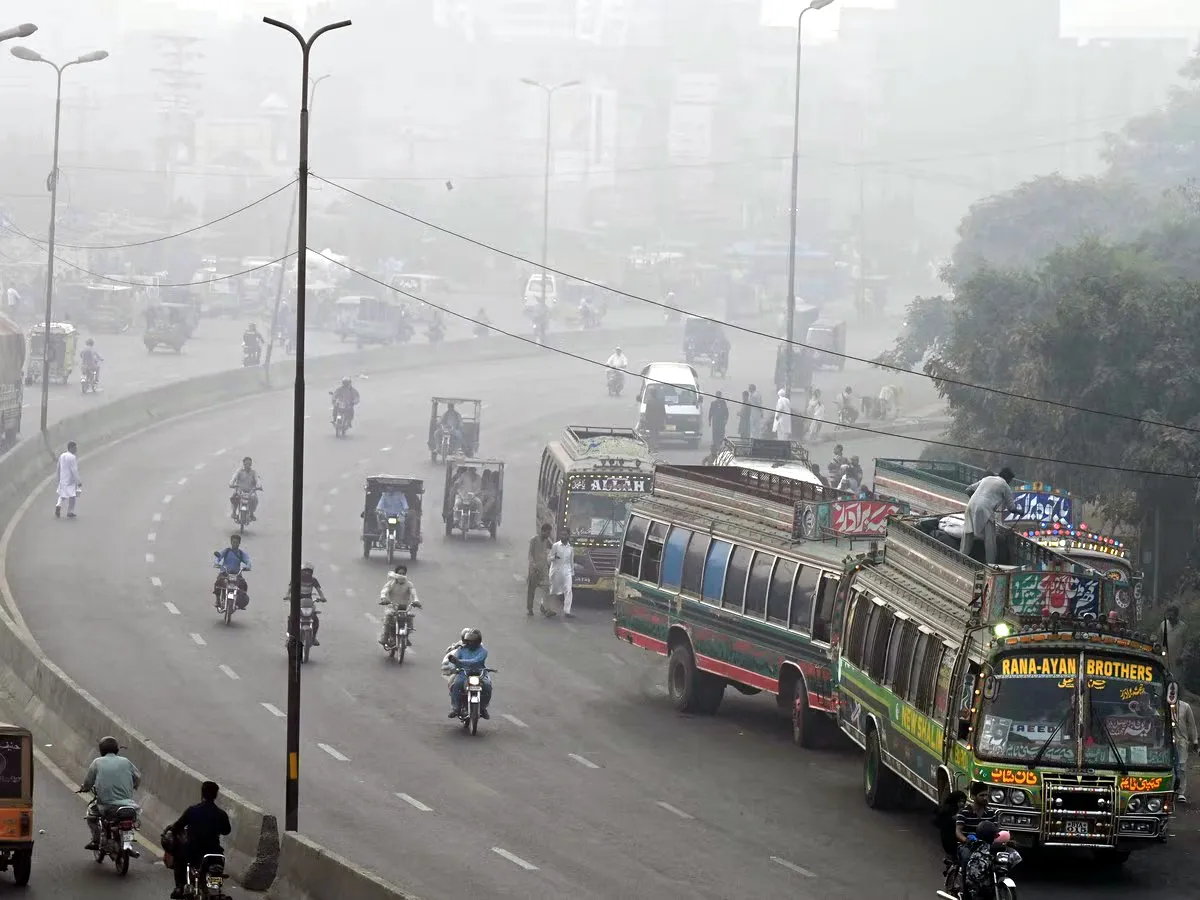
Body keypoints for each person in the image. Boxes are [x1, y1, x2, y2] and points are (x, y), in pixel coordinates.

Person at [166, 780, 231, 899]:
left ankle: (180, 887)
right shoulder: (221, 814)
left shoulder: (193, 810)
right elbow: (227, 831)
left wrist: (171, 831)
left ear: (202, 794)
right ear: (216, 795)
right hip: (215, 853)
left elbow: (177, 827)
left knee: (179, 857)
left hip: (194, 851)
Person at [79, 736, 140, 851]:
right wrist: (134, 785)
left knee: (91, 816)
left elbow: (88, 782)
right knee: (130, 822)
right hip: (128, 805)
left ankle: (96, 841)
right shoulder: (126, 761)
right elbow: (138, 777)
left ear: (101, 750)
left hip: (106, 805)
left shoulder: (97, 762)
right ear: (117, 749)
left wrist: (84, 788)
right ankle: (127, 844)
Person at [961, 467, 1018, 564]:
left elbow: (968, 489)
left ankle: (961, 557)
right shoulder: (1005, 485)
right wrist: (1020, 512)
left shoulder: (987, 479)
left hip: (971, 506)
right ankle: (990, 564)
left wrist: (976, 500)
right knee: (990, 540)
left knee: (968, 534)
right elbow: (1011, 508)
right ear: (1008, 478)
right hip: (986, 510)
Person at [443, 627, 492, 719]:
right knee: (456, 685)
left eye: (471, 641)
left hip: (479, 673)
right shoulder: (461, 650)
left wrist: (460, 661)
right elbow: (455, 661)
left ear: (477, 641)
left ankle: (483, 708)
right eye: (467, 641)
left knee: (487, 686)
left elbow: (476, 661)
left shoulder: (483, 651)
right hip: (463, 673)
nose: (469, 643)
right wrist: (453, 666)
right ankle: (456, 708)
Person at [378, 563, 422, 648]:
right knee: (388, 616)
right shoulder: (391, 583)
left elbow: (414, 594)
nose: (401, 575)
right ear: (396, 574)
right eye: (400, 573)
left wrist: (416, 601)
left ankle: (406, 636)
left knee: (409, 618)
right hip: (392, 607)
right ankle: (385, 636)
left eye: (403, 574)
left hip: (404, 607)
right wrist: (383, 598)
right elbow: (384, 591)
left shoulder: (409, 584)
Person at [284, 563, 326, 646]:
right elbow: (289, 589)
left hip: (309, 602)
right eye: (305, 571)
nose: (307, 573)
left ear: (311, 572)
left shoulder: (313, 580)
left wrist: (322, 597)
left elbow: (319, 590)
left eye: (309, 571)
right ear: (301, 571)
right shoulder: (296, 578)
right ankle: (290, 637)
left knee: (315, 619)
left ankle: (313, 637)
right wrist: (287, 596)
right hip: (297, 601)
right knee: (291, 618)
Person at [212, 534, 251, 609]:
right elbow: (218, 557)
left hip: (237, 574)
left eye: (237, 542)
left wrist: (248, 567)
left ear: (239, 543)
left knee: (244, 585)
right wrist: (217, 563)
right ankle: (218, 600)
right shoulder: (226, 551)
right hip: (225, 573)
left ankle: (241, 603)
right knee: (218, 583)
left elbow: (247, 561)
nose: (235, 544)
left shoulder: (241, 553)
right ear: (231, 542)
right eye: (233, 542)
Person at [527, 523, 554, 617]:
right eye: (547, 533)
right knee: (531, 590)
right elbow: (530, 554)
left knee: (547, 588)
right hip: (534, 569)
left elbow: (553, 547)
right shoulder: (534, 540)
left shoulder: (547, 540)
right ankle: (530, 609)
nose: (548, 534)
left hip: (544, 568)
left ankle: (547, 608)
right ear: (542, 531)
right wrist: (533, 565)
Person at [549, 528, 575, 618]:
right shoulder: (556, 546)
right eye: (562, 534)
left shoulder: (570, 548)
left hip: (567, 571)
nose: (563, 536)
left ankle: (567, 611)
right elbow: (550, 558)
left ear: (568, 536)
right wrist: (554, 557)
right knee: (552, 590)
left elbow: (571, 561)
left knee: (568, 590)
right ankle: (545, 606)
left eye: (565, 535)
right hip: (556, 571)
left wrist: (572, 573)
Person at [1177, 697, 1199, 802]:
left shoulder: (1185, 707)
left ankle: (1181, 792)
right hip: (1166, 741)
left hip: (1181, 740)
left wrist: (1195, 741)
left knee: (1182, 766)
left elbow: (1191, 725)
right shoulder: (1163, 704)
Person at [934, 789, 967, 856]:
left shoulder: (961, 810)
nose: (962, 804)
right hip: (950, 840)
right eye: (960, 801)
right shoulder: (946, 810)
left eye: (964, 802)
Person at [228, 456, 261, 522]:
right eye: (246, 464)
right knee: (234, 497)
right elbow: (233, 478)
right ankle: (234, 512)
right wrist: (231, 484)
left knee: (254, 499)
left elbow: (258, 480)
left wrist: (258, 486)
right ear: (243, 464)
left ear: (251, 464)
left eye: (249, 464)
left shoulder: (253, 472)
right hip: (240, 491)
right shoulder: (239, 471)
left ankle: (251, 513)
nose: (247, 466)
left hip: (250, 491)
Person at [55, 440, 81, 518]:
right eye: (75, 448)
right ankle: (70, 511)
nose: (76, 449)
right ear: (71, 448)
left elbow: (58, 467)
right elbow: (74, 470)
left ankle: (58, 505)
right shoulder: (73, 457)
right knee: (72, 496)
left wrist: (58, 477)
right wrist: (78, 481)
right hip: (70, 480)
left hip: (63, 479)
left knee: (62, 495)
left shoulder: (62, 455)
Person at [1163, 605, 1187, 684]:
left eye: (1171, 616)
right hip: (1164, 660)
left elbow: (1188, 644)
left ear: (1176, 615)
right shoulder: (1163, 625)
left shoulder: (1183, 627)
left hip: (1177, 662)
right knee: (1164, 682)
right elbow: (1158, 640)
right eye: (1168, 616)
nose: (1170, 618)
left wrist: (1182, 657)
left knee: (1175, 684)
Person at [643, 385, 667, 449]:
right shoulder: (660, 402)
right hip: (658, 420)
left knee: (652, 433)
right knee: (656, 432)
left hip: (651, 420)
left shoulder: (649, 402)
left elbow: (647, 412)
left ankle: (653, 444)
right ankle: (655, 444)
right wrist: (663, 421)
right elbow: (664, 413)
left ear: (651, 394)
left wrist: (646, 419)